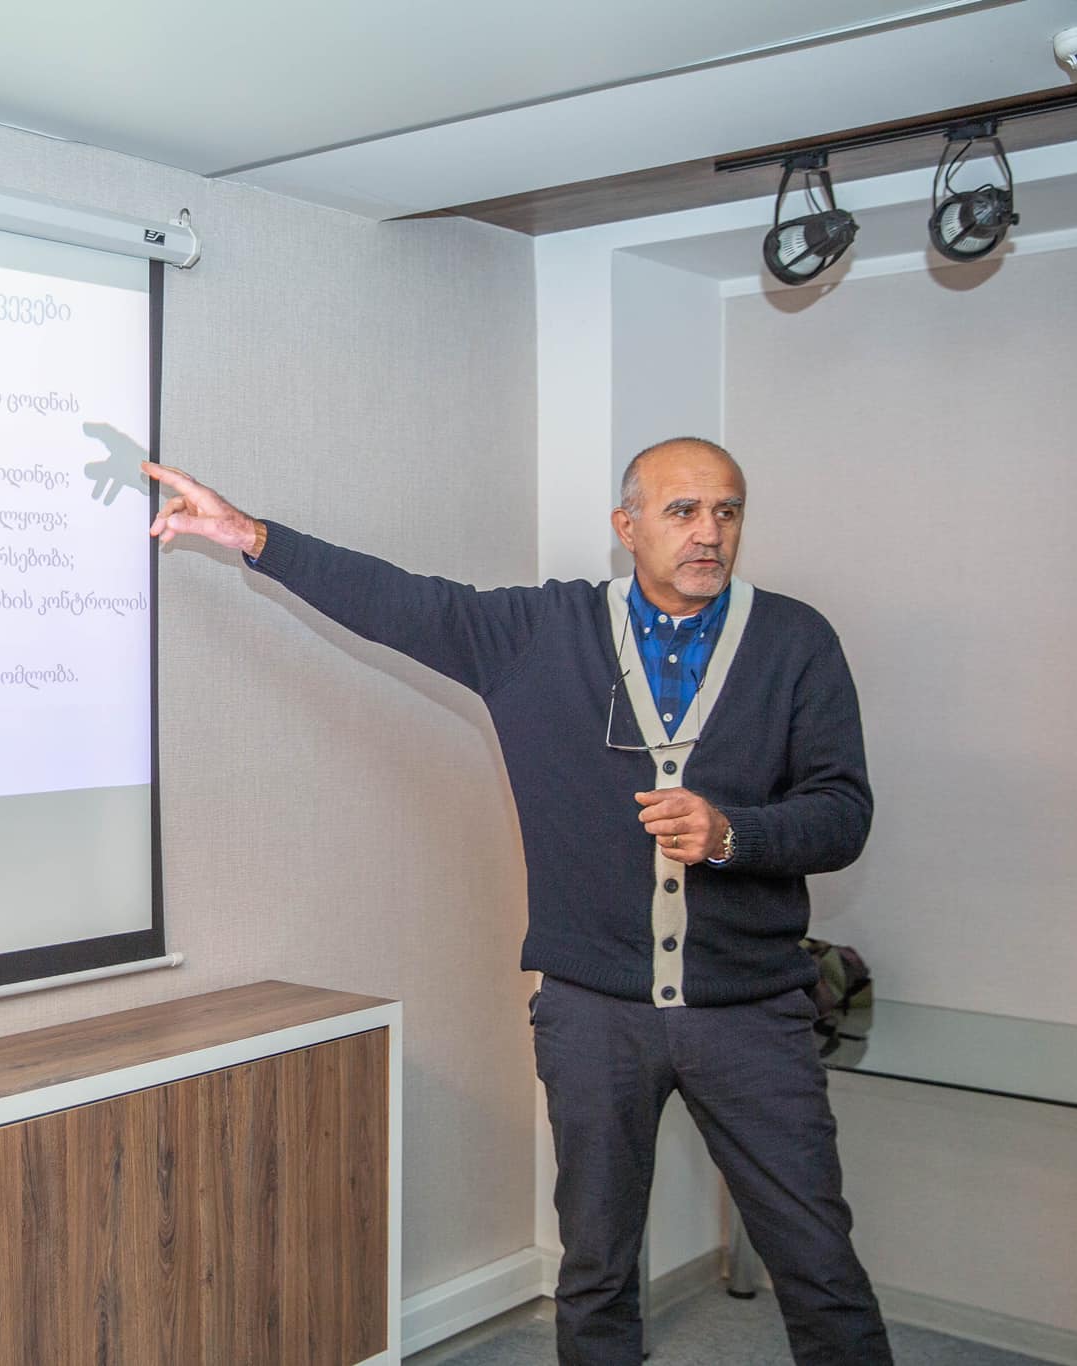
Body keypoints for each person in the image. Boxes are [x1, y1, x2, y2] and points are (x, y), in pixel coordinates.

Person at [143, 439, 891, 1366]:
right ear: (627, 527)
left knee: (819, 1264)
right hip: (593, 1014)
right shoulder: (542, 633)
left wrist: (734, 835)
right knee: (596, 1267)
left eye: (726, 512)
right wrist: (253, 535)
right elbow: (400, 602)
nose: (709, 532)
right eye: (682, 511)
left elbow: (842, 814)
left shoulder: (796, 641)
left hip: (751, 1011)